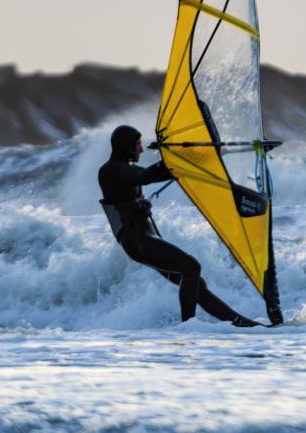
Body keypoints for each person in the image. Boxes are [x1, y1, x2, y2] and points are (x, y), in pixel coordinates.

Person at [98, 124, 260, 327]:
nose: (141, 149)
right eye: (137, 145)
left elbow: (162, 173)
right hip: (137, 240)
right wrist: (172, 158)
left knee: (195, 283)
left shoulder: (124, 169)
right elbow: (147, 176)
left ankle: (242, 323)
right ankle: (188, 327)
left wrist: (204, 156)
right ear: (126, 147)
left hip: (144, 239)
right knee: (192, 267)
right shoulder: (109, 171)